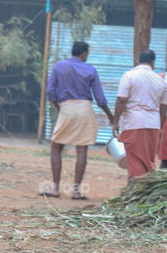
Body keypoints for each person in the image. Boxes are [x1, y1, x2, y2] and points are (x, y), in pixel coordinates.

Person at [40, 41, 113, 199]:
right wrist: (110, 116)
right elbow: (100, 98)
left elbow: (50, 92)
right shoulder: (91, 69)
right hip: (85, 108)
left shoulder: (59, 66)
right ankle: (76, 190)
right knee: (82, 150)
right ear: (84, 54)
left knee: (56, 147)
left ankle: (55, 188)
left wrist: (60, 108)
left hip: (66, 107)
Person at [112, 50, 167, 181]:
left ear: (139, 60)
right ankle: (145, 188)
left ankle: (135, 188)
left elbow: (121, 100)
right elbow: (164, 107)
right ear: (153, 62)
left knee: (135, 159)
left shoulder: (129, 76)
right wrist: (161, 128)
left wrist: (115, 122)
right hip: (153, 124)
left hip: (133, 122)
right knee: (148, 159)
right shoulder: (161, 81)